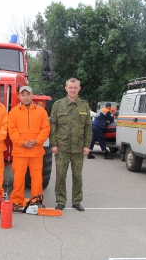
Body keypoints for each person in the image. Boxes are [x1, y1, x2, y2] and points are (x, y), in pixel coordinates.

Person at [49, 78, 92, 212]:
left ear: (79, 88)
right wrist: (54, 144)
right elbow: (53, 125)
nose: (73, 90)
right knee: (61, 175)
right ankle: (61, 201)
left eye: (75, 87)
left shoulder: (84, 106)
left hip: (78, 148)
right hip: (61, 147)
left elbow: (88, 127)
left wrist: (86, 145)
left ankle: (76, 201)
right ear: (66, 88)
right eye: (70, 87)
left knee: (77, 176)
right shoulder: (58, 105)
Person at [8, 86, 50, 210]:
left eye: (28, 94)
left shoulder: (41, 111)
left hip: (36, 152)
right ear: (19, 97)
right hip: (20, 152)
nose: (26, 97)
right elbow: (12, 130)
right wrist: (22, 143)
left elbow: (46, 128)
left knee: (37, 179)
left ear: (33, 96)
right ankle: (16, 201)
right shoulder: (13, 112)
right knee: (18, 179)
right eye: (23, 94)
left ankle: (36, 200)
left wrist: (37, 141)